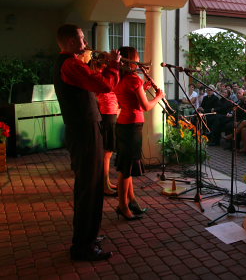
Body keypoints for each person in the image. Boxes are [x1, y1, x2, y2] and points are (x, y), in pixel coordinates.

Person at [53, 24, 119, 261]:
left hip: (85, 130)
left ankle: (88, 237)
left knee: (90, 186)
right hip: (85, 132)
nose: (85, 41)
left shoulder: (70, 62)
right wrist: (113, 66)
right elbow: (104, 86)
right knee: (89, 189)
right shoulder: (71, 64)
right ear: (71, 41)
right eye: (81, 38)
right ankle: (83, 246)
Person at [114, 46, 165, 221]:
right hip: (132, 126)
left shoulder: (120, 78)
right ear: (131, 60)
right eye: (137, 58)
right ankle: (122, 206)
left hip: (123, 125)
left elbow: (129, 95)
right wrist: (159, 96)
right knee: (125, 171)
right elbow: (145, 107)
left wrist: (144, 86)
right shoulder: (134, 79)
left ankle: (132, 201)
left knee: (125, 167)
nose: (139, 61)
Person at [91, 52, 119, 196]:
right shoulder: (101, 74)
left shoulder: (103, 74)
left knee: (108, 152)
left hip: (110, 112)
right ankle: (104, 186)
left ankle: (106, 182)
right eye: (108, 59)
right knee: (107, 153)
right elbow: (108, 90)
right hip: (107, 113)